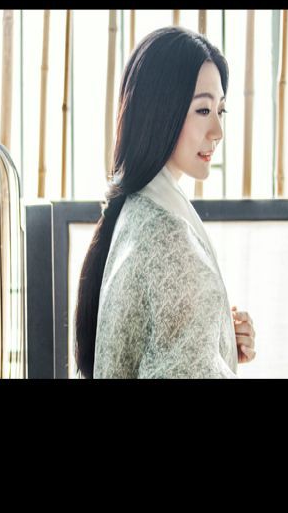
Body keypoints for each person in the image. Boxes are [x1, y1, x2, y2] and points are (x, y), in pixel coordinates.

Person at [74, 26, 256, 379]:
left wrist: (215, 339)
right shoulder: (167, 236)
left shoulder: (137, 211)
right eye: (202, 110)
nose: (218, 131)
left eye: (221, 110)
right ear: (160, 112)